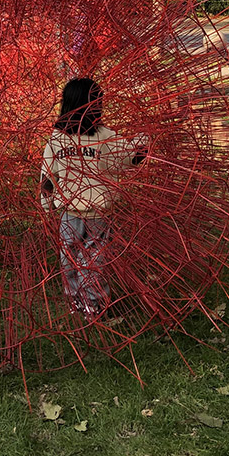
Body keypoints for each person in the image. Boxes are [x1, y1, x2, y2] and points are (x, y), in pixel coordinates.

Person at [40, 78, 146, 320]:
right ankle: (93, 303)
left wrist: (47, 206)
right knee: (94, 259)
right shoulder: (104, 136)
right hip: (97, 212)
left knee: (69, 257)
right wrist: (144, 143)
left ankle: (75, 300)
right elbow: (128, 160)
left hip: (68, 212)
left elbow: (47, 176)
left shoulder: (56, 139)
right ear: (94, 105)